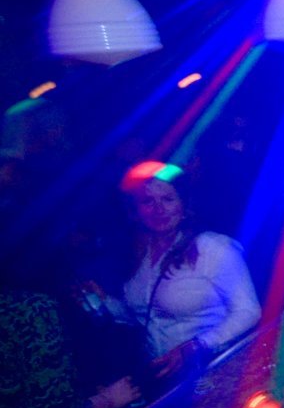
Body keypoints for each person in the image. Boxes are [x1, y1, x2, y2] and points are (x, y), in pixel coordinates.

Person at [91, 162, 261, 378]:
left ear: (183, 204)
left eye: (168, 199)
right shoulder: (138, 254)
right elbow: (144, 314)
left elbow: (248, 311)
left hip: (214, 369)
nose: (158, 209)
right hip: (164, 377)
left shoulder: (212, 247)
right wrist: (103, 300)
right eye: (148, 201)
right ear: (137, 210)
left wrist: (197, 345)